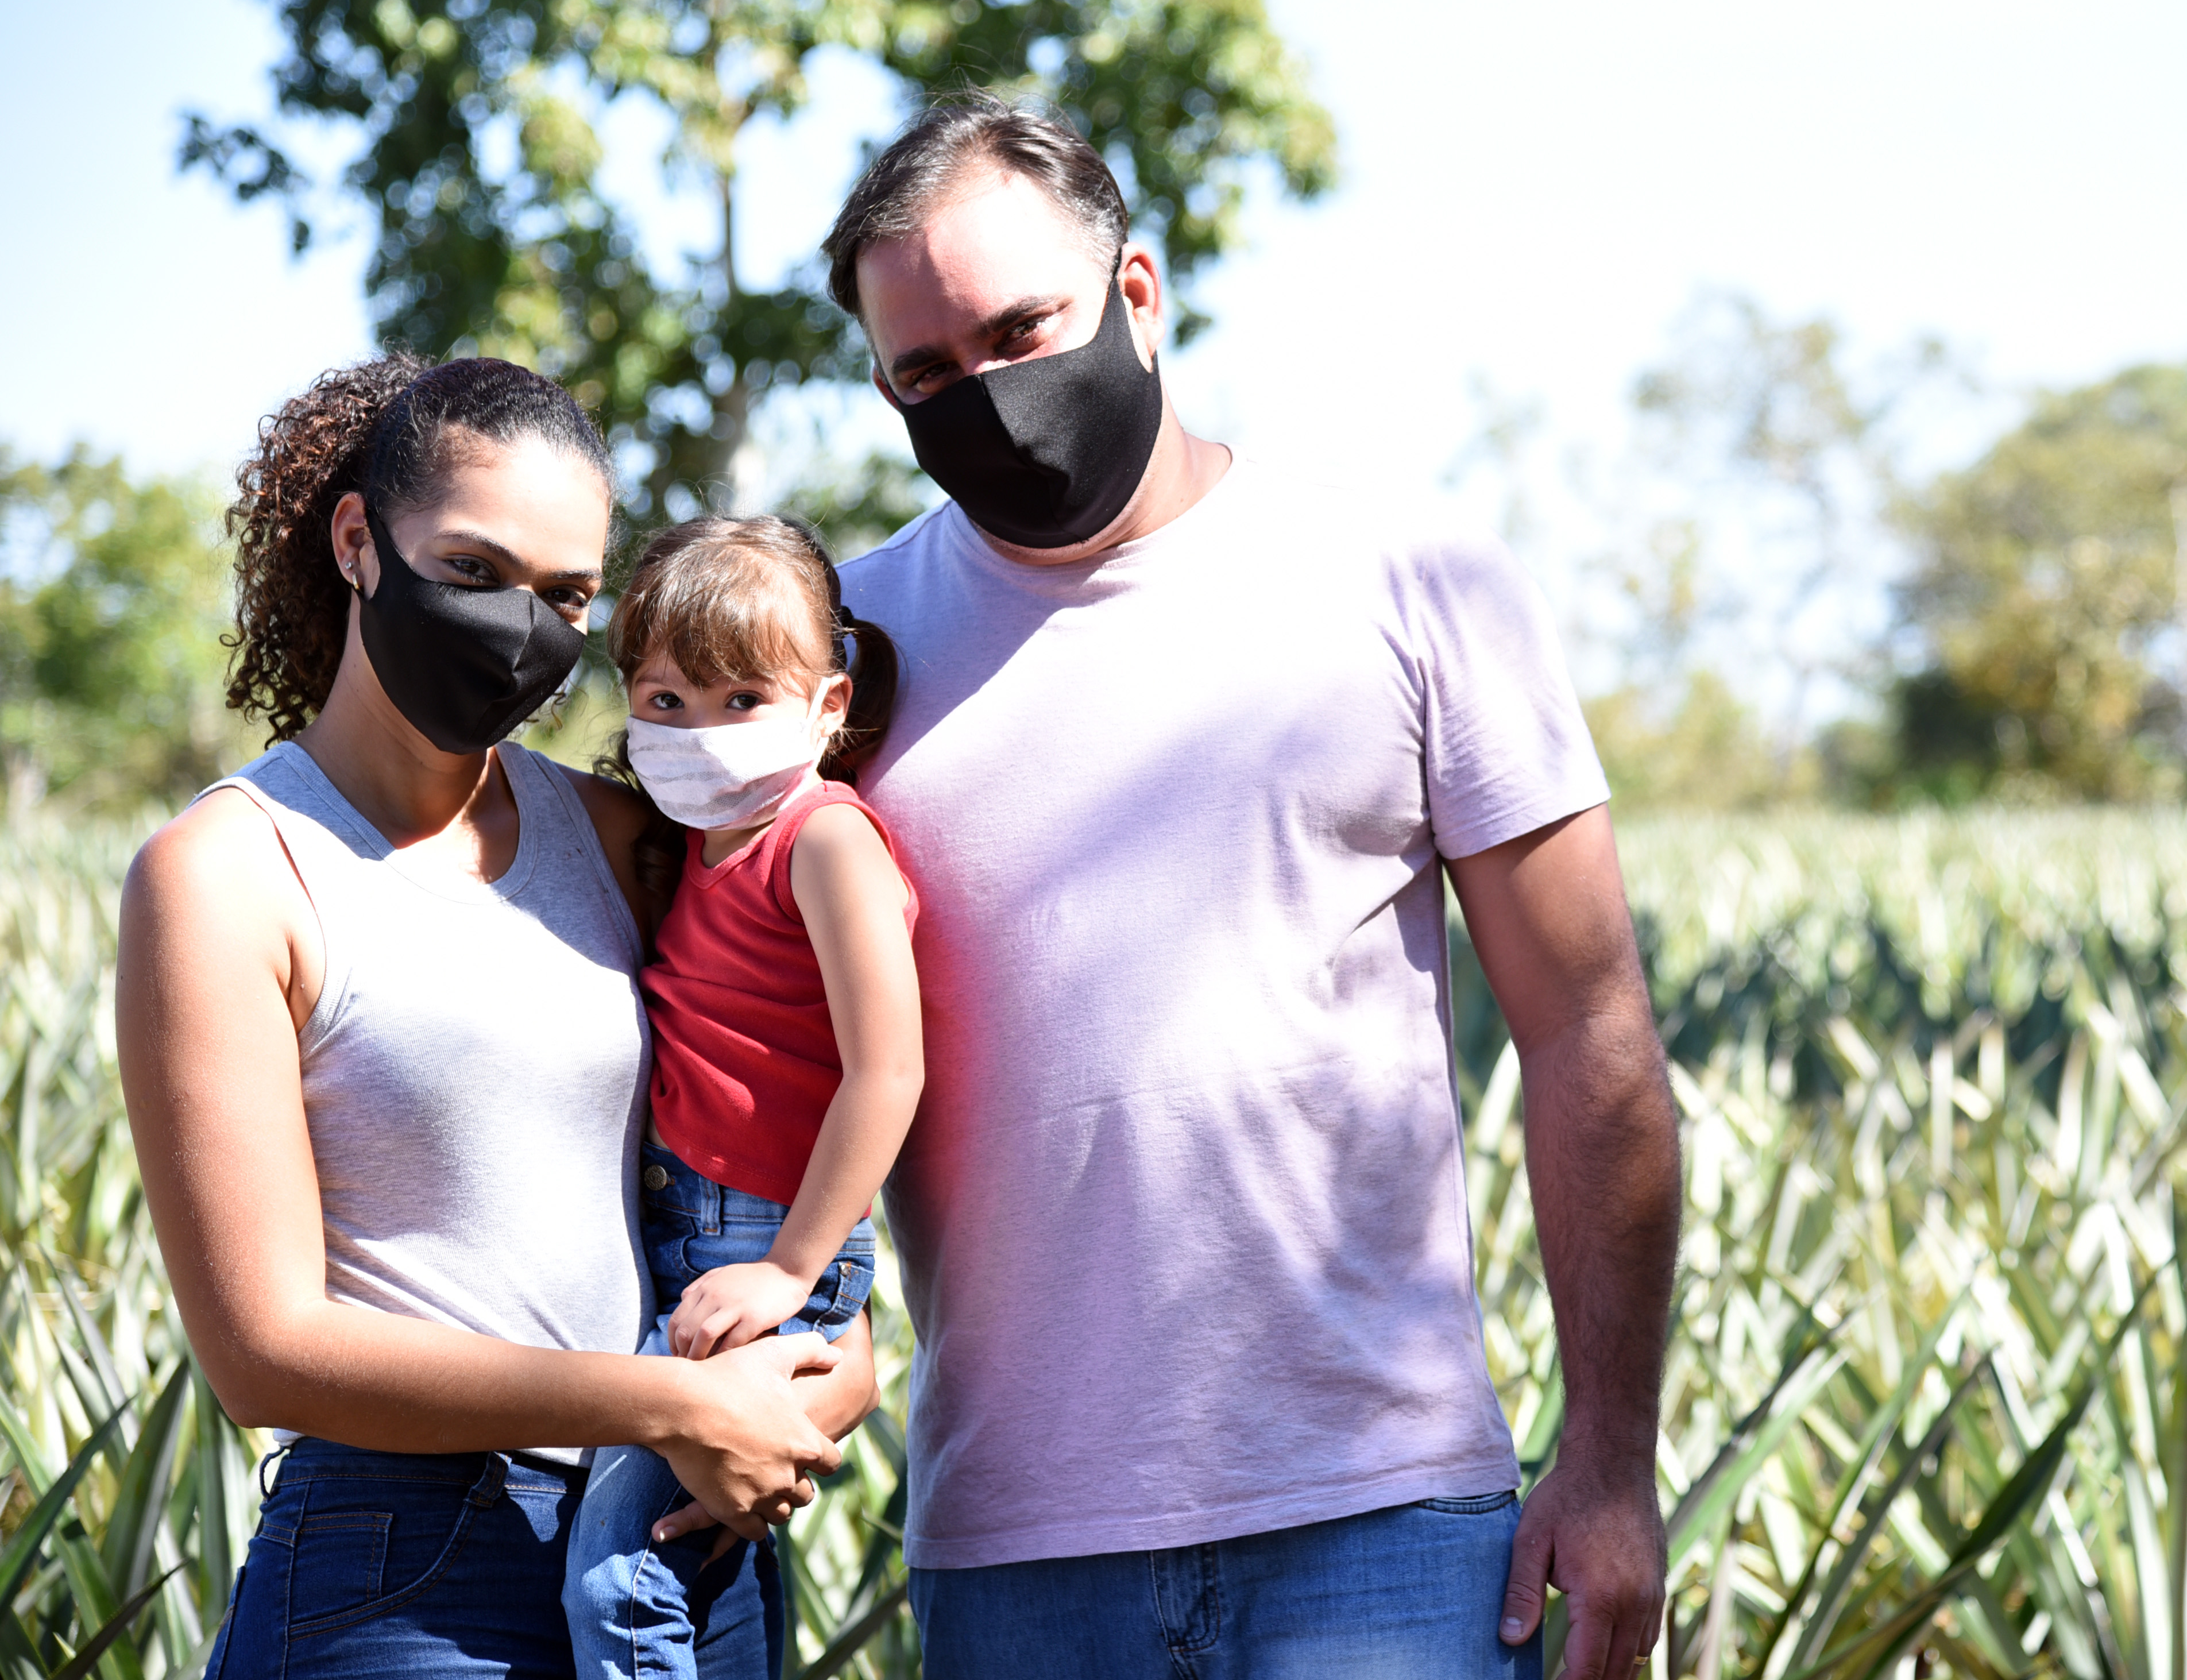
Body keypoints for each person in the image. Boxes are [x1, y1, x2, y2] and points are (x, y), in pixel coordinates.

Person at [815, 94, 1683, 1678]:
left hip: (1386, 1535)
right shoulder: (837, 664)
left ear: (1137, 294)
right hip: (1015, 1558)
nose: (987, 393)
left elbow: (1589, 1029)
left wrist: (1613, 1466)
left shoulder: (1414, 582)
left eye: (1022, 331)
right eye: (926, 373)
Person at [116, 357, 879, 1680]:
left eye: (566, 596)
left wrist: (833, 1351)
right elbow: (264, 1351)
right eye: (473, 569)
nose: (519, 626)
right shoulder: (227, 873)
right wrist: (666, 1401)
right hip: (409, 1564)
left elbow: (770, 1100)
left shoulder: (624, 837)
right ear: (359, 543)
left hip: (679, 1532)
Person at [562, 516, 923, 1680]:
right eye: (665, 700)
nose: (700, 730)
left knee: (621, 1586)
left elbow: (889, 1069)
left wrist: (790, 1271)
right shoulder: (696, 845)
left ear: (827, 706)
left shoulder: (824, 840)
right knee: (683, 1571)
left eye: (742, 699)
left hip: (763, 1242)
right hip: (696, 1238)